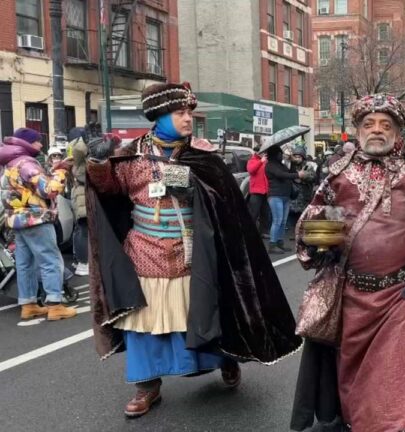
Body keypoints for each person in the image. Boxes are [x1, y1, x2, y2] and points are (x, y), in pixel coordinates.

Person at [86, 82, 302, 417]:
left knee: (207, 312)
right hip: (144, 250)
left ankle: (227, 358)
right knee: (145, 323)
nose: (188, 118)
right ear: (159, 116)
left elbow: (221, 193)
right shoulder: (131, 155)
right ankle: (147, 386)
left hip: (194, 249)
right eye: (181, 112)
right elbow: (110, 190)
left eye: (189, 112)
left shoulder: (201, 153)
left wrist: (187, 181)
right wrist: (97, 163)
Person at [290, 94, 405, 432]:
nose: (377, 130)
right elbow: (317, 217)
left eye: (386, 125)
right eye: (369, 124)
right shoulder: (337, 176)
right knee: (354, 376)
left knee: (397, 379)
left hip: (400, 297)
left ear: (398, 132)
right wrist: (321, 241)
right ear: (357, 129)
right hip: (352, 296)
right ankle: (359, 421)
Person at [0, 128, 77, 321]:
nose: (41, 144)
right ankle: (55, 304)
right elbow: (49, 190)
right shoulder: (27, 163)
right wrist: (60, 172)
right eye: (37, 141)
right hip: (36, 219)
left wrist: (52, 170)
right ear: (27, 143)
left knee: (26, 264)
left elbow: (28, 186)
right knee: (50, 260)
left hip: (18, 220)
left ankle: (28, 304)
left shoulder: (10, 163)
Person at [265, 144, 308, 254]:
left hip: (285, 195)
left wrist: (293, 161)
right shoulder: (270, 165)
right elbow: (281, 175)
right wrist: (298, 175)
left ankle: (280, 243)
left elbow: (290, 172)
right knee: (277, 221)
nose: (282, 155)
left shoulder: (280, 164)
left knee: (283, 222)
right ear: (275, 154)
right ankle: (272, 244)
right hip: (275, 196)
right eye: (280, 153)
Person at [68, 127, 90, 276]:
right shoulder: (78, 151)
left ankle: (82, 261)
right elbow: (78, 148)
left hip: (79, 194)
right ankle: (83, 262)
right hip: (83, 194)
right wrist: (83, 138)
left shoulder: (74, 156)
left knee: (81, 229)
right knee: (83, 229)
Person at [288, 146, 317, 236]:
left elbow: (313, 177)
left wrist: (304, 176)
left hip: (304, 195)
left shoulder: (308, 166)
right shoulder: (290, 166)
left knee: (303, 216)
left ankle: (302, 233)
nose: (297, 158)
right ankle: (294, 234)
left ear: (303, 157)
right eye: (295, 156)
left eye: (299, 156)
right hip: (293, 195)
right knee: (292, 216)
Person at [246, 148, 271, 237]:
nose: (263, 153)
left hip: (265, 190)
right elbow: (251, 170)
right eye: (261, 152)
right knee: (254, 212)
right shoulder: (252, 160)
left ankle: (263, 231)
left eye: (264, 152)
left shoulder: (266, 161)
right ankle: (250, 232)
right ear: (257, 152)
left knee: (265, 212)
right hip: (256, 191)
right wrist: (261, 161)